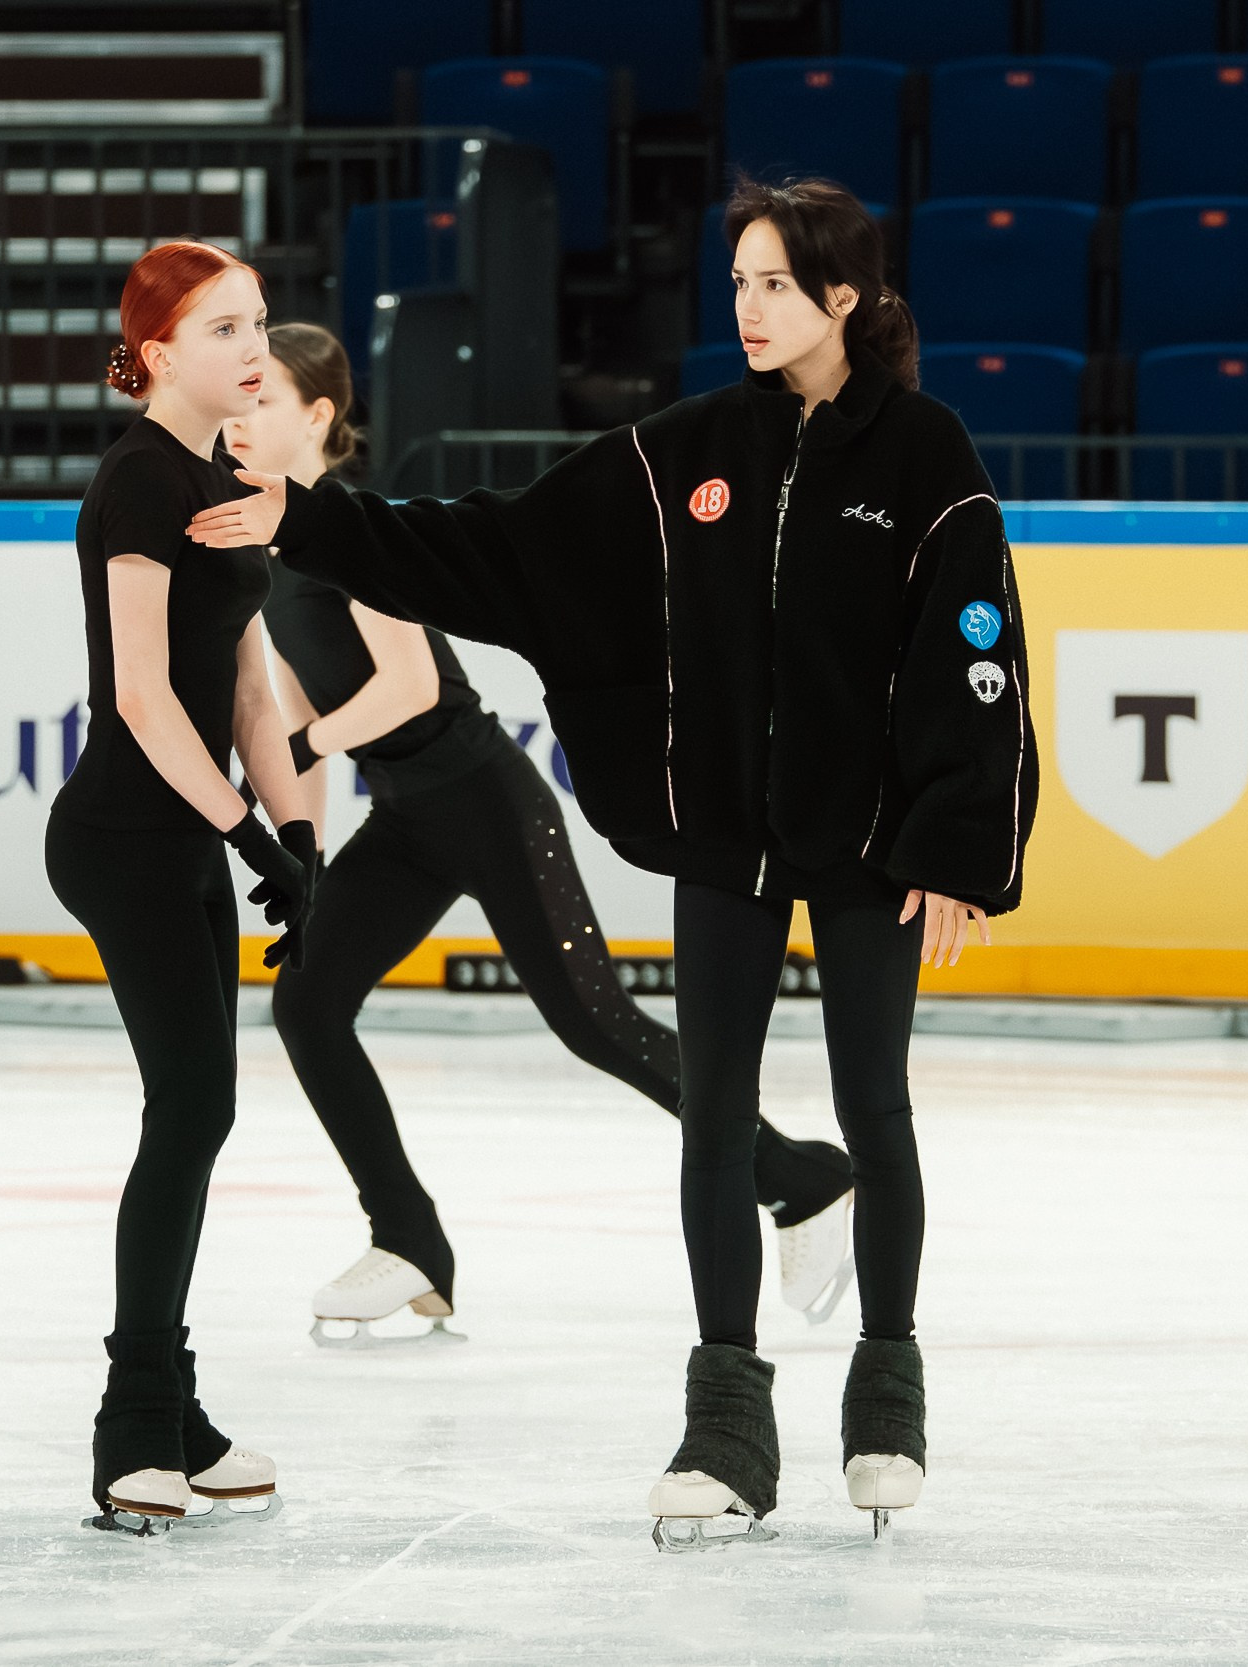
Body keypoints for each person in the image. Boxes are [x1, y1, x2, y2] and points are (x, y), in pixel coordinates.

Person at [189, 178, 1039, 1547]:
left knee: (875, 1102)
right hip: (730, 838)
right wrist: (310, 517)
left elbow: (980, 651)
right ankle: (725, 1420)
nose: (747, 308)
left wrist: (960, 837)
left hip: (874, 840)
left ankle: (886, 1391)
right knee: (714, 1107)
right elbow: (500, 545)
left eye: (773, 283)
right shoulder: (685, 451)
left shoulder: (926, 455)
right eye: (739, 281)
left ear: (842, 299)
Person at [220, 322, 860, 1347]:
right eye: (236, 397)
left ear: (318, 417)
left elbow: (409, 684)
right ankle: (410, 1239)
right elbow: (304, 713)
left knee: (595, 1020)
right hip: (407, 815)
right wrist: (303, 855)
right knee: (306, 1001)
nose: (239, 416)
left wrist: (301, 734)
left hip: (483, 801)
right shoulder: (264, 545)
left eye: (261, 399)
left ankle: (804, 1177)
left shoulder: (352, 526)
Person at [45, 240, 321, 1535]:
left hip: (186, 832)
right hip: (124, 831)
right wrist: (244, 836)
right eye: (222, 326)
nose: (251, 345)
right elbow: (145, 695)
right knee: (190, 1106)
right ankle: (131, 1426)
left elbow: (250, 684)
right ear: (156, 351)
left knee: (200, 1113)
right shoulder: (136, 483)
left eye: (258, 321)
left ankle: (174, 1409)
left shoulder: (227, 472)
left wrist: (300, 831)